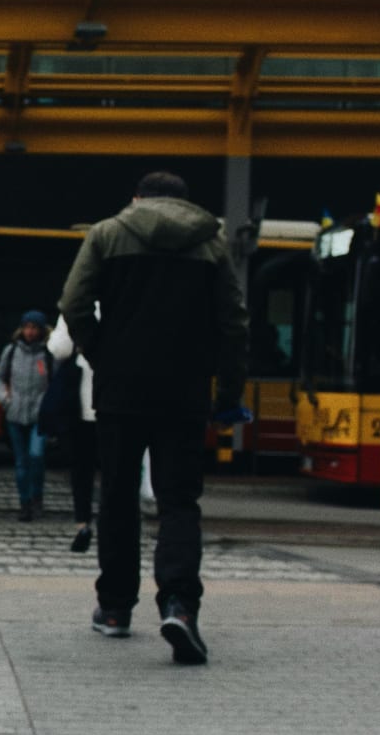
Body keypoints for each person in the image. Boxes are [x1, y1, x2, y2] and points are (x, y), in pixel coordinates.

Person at [59, 171, 247, 662]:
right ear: (186, 204)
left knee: (118, 497)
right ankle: (180, 606)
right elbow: (234, 322)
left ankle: (116, 610)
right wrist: (227, 392)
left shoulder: (107, 233)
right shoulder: (211, 242)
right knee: (179, 500)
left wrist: (104, 355)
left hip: (121, 391)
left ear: (137, 197)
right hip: (185, 392)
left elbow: (73, 304)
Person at [45, 310, 97, 552]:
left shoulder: (82, 302)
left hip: (82, 404)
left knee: (81, 471)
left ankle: (83, 524)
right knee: (117, 472)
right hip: (119, 399)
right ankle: (114, 527)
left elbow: (59, 348)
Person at [0, 309, 53, 521]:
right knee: (21, 462)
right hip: (15, 414)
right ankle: (25, 503)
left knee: (36, 455)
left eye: (34, 328)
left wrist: (48, 405)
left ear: (41, 330)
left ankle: (37, 497)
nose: (30, 332)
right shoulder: (11, 351)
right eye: (27, 327)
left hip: (39, 415)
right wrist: (5, 400)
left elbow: (54, 383)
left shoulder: (48, 354)